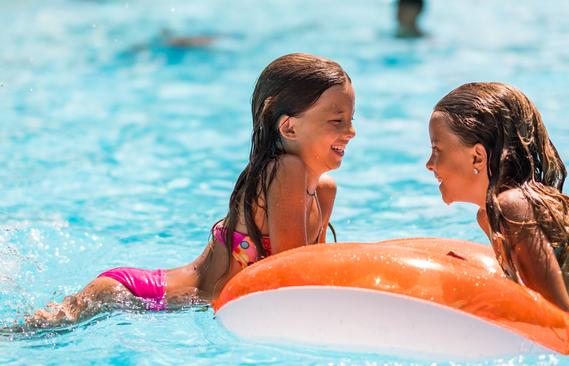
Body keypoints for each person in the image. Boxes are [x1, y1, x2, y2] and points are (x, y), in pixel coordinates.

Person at [20, 53, 356, 328]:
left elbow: (310, 280)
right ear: (289, 126)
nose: (351, 132)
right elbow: (290, 272)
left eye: (352, 119)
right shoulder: (286, 169)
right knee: (23, 336)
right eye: (336, 121)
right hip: (137, 296)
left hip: (173, 307)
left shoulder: (323, 190)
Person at [425, 82, 569, 339]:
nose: (429, 164)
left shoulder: (513, 208)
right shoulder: (488, 216)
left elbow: (555, 323)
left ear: (477, 156)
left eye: (436, 150)